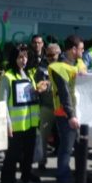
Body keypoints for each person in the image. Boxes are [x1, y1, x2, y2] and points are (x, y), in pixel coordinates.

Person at [0, 44, 48, 183]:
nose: (24, 60)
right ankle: (9, 182)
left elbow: (30, 97)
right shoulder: (7, 77)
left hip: (30, 124)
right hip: (15, 125)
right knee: (12, 157)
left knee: (28, 156)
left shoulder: (28, 76)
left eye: (26, 57)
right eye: (20, 57)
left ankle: (26, 179)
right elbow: (2, 102)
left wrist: (38, 90)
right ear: (14, 58)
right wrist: (7, 124)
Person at [48, 35, 85, 183]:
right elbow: (65, 94)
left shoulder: (80, 64)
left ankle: (80, 179)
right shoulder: (59, 68)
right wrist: (71, 115)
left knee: (80, 149)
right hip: (66, 114)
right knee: (66, 149)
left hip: (80, 113)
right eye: (81, 49)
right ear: (73, 49)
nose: (83, 52)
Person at [34, 43, 61, 171]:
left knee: (63, 138)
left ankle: (62, 164)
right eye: (48, 55)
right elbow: (36, 87)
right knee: (43, 137)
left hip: (61, 107)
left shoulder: (65, 67)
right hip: (46, 106)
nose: (50, 57)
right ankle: (42, 161)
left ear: (59, 54)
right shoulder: (40, 69)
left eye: (53, 55)